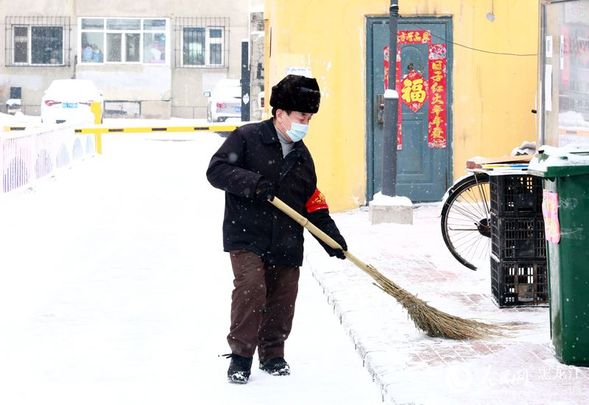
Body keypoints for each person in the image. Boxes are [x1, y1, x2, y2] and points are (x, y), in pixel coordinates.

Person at [206, 74, 348, 384]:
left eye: (309, 118)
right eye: (301, 117)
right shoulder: (247, 138)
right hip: (246, 233)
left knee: (283, 296)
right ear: (280, 113)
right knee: (252, 288)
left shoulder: (302, 157)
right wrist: (253, 184)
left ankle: (272, 354)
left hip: (285, 239)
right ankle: (241, 356)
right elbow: (216, 171)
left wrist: (331, 238)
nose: (305, 124)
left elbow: (312, 202)